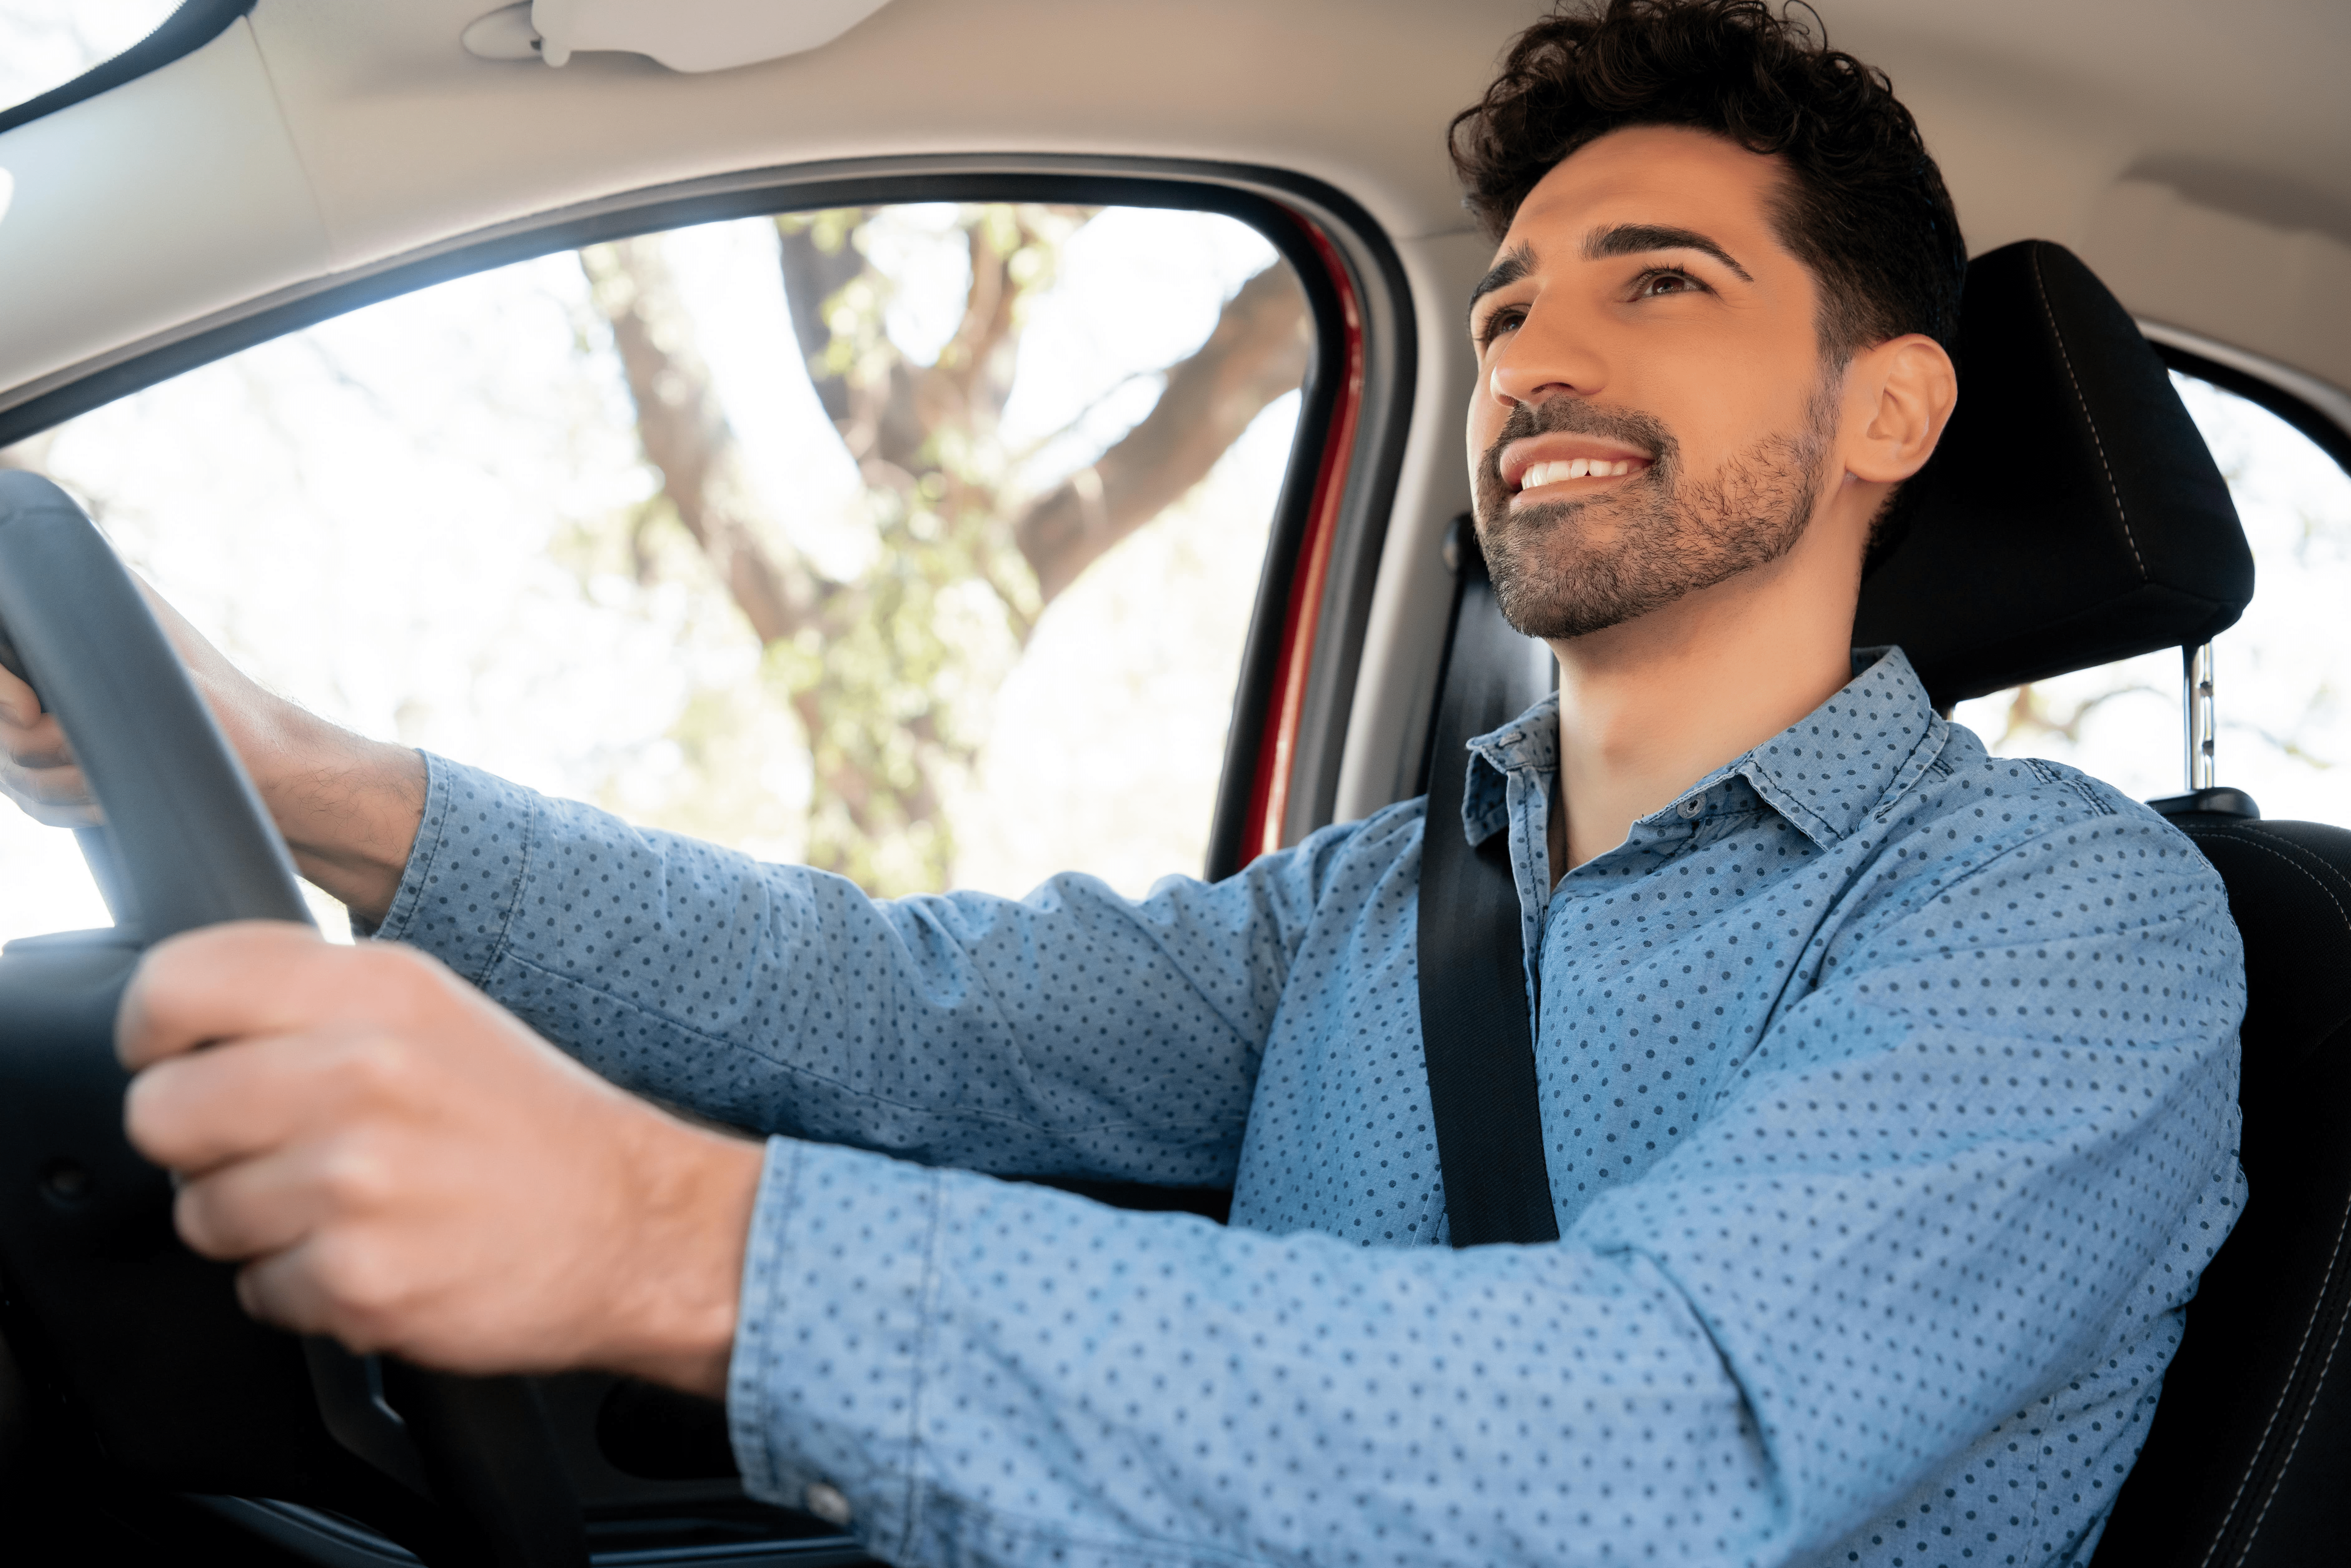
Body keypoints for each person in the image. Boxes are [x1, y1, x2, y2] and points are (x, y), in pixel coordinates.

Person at [0, 2, 2244, 1564]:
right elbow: (897, 1014)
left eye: (1662, 283)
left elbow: (1682, 1435)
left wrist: (669, 1242)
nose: (1539, 350)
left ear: (1892, 414)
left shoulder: (2066, 924)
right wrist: (305, 777)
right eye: (1510, 308)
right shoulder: (1380, 900)